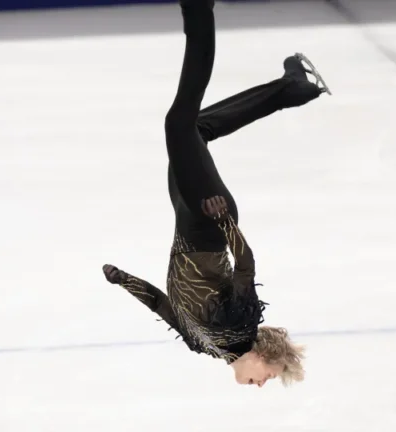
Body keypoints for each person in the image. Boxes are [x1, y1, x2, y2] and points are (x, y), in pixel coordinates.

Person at [102, 0, 330, 388]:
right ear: (265, 356)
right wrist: (223, 220)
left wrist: (123, 279)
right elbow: (245, 266)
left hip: (185, 220)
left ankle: (291, 89)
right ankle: (198, 10)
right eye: (269, 377)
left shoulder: (203, 345)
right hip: (209, 218)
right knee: (180, 123)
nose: (261, 384)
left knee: (197, 128)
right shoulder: (240, 325)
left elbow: (162, 303)